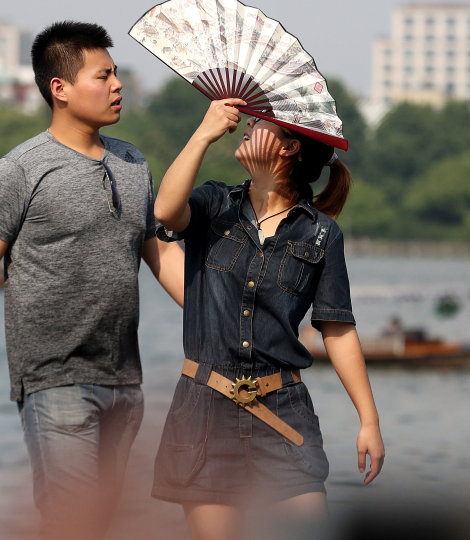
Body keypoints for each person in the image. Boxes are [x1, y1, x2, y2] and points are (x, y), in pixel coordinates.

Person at [0, 21, 184, 540]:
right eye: (104, 75)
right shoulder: (20, 170)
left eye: (117, 74)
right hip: (55, 378)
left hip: (125, 379)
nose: (118, 84)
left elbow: (160, 251)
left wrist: (218, 313)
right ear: (61, 88)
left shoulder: (133, 162)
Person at [153, 99, 385, 538]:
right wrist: (203, 133)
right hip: (204, 411)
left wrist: (368, 420)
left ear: (290, 147)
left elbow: (337, 330)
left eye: (262, 123)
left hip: (283, 413)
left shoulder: (320, 232)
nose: (248, 124)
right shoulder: (214, 202)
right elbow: (165, 212)